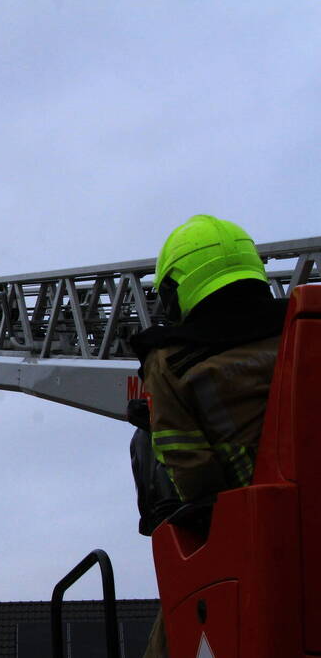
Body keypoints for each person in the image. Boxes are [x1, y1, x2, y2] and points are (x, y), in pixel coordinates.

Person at [127, 214, 288, 658]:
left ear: (177, 291)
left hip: (255, 544)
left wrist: (155, 428)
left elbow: (195, 481)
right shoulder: (306, 324)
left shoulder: (170, 364)